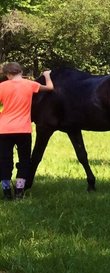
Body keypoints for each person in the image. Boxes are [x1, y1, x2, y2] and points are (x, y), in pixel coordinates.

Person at [0, 63, 54, 200]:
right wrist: (47, 75)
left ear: (7, 74)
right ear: (21, 71)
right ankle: (19, 191)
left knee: (5, 160)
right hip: (23, 130)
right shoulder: (30, 84)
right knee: (24, 160)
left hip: (4, 130)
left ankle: (6, 191)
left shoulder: (2, 86)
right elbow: (50, 88)